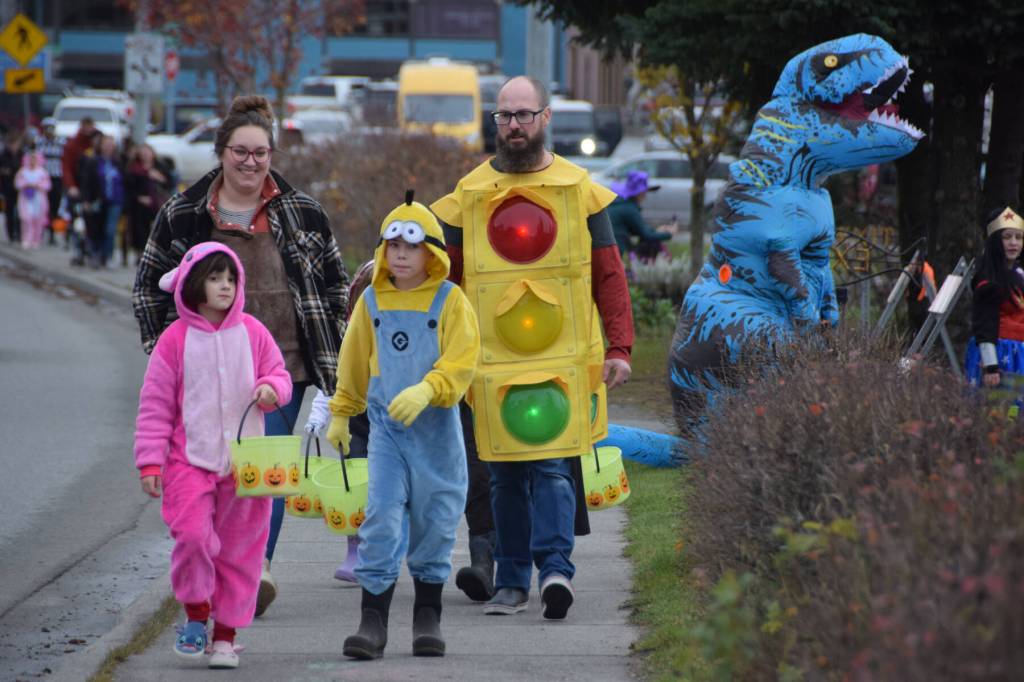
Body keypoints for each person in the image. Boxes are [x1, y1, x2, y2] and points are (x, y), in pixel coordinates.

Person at [132, 95, 349, 617]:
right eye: (240, 152)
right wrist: (173, 348)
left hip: (281, 369)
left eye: (260, 152)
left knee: (260, 471)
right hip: (207, 373)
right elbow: (146, 288)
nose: (250, 162)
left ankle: (256, 570)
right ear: (221, 152)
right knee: (208, 474)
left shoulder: (302, 211)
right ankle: (210, 567)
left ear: (272, 154)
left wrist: (333, 337)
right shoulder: (183, 213)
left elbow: (336, 282)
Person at [431, 76, 634, 619]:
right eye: (504, 116)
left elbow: (608, 273)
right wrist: (439, 358)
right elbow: (444, 283)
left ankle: (555, 573)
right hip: (490, 362)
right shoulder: (468, 195)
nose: (513, 126)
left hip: (562, 357)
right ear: (494, 122)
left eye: (523, 115)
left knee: (550, 467)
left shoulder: (578, 190)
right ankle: (512, 579)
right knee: (504, 474)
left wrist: (620, 348)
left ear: (546, 118)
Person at [325, 192, 480, 659]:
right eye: (393, 246)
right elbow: (352, 359)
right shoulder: (370, 301)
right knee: (382, 519)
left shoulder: (451, 301)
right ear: (382, 251)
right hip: (388, 433)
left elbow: (464, 358)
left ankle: (427, 614)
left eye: (411, 247)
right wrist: (341, 410)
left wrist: (430, 388)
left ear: (430, 251)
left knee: (436, 520)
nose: (401, 255)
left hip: (437, 435)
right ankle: (373, 621)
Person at [134, 241, 291, 669]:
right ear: (193, 284)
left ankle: (225, 634)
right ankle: (196, 613)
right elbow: (155, 405)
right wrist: (150, 460)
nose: (224, 286)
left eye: (231, 278)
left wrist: (271, 389)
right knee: (192, 537)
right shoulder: (174, 340)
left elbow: (280, 374)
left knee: (240, 551)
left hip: (246, 467)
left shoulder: (253, 332)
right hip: (189, 461)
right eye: (214, 278)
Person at [303, 258, 375, 585]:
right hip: (355, 422)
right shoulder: (348, 336)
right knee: (352, 486)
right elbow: (334, 384)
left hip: (396, 424)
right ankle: (355, 550)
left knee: (390, 490)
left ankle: (384, 546)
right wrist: (319, 417)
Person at [966, 206, 1024, 389]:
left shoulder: (1018, 274)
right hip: (999, 356)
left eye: (1018, 237)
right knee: (998, 412)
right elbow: (984, 324)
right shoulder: (989, 282)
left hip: (1018, 354)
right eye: (1007, 237)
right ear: (995, 241)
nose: (1013, 243)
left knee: (1017, 414)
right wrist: (991, 367)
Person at [606, 169, 676, 262]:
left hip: (608, 247)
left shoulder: (622, 203)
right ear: (639, 193)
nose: (645, 195)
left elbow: (638, 228)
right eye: (644, 192)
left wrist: (656, 230)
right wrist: (669, 234)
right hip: (615, 250)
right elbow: (646, 235)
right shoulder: (630, 209)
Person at [123, 143, 171, 266]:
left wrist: (159, 178)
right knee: (139, 230)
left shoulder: (160, 167)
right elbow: (129, 186)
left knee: (157, 230)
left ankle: (155, 254)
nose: (145, 155)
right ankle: (141, 254)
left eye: (147, 152)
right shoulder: (134, 168)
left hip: (157, 204)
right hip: (139, 206)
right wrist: (139, 197)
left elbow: (169, 183)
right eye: (142, 153)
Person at [14, 150, 51, 249]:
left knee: (38, 220)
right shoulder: (22, 171)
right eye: (30, 159)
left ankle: (36, 239)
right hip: (26, 199)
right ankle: (26, 239)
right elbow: (17, 183)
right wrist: (26, 184)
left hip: (38, 199)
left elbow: (47, 185)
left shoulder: (42, 172)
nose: (32, 161)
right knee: (26, 219)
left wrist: (37, 185)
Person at [96, 135, 124, 267]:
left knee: (110, 229)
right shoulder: (95, 161)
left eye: (111, 144)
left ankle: (108, 256)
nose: (108, 147)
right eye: (106, 144)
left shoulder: (118, 162)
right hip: (100, 200)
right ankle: (98, 254)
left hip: (115, 200)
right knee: (99, 228)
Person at [37, 118, 64, 246]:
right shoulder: (39, 142)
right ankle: (40, 230)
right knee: (42, 206)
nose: (49, 131)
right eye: (47, 128)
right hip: (41, 178)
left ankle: (52, 232)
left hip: (56, 177)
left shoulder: (61, 142)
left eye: (51, 129)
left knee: (55, 205)